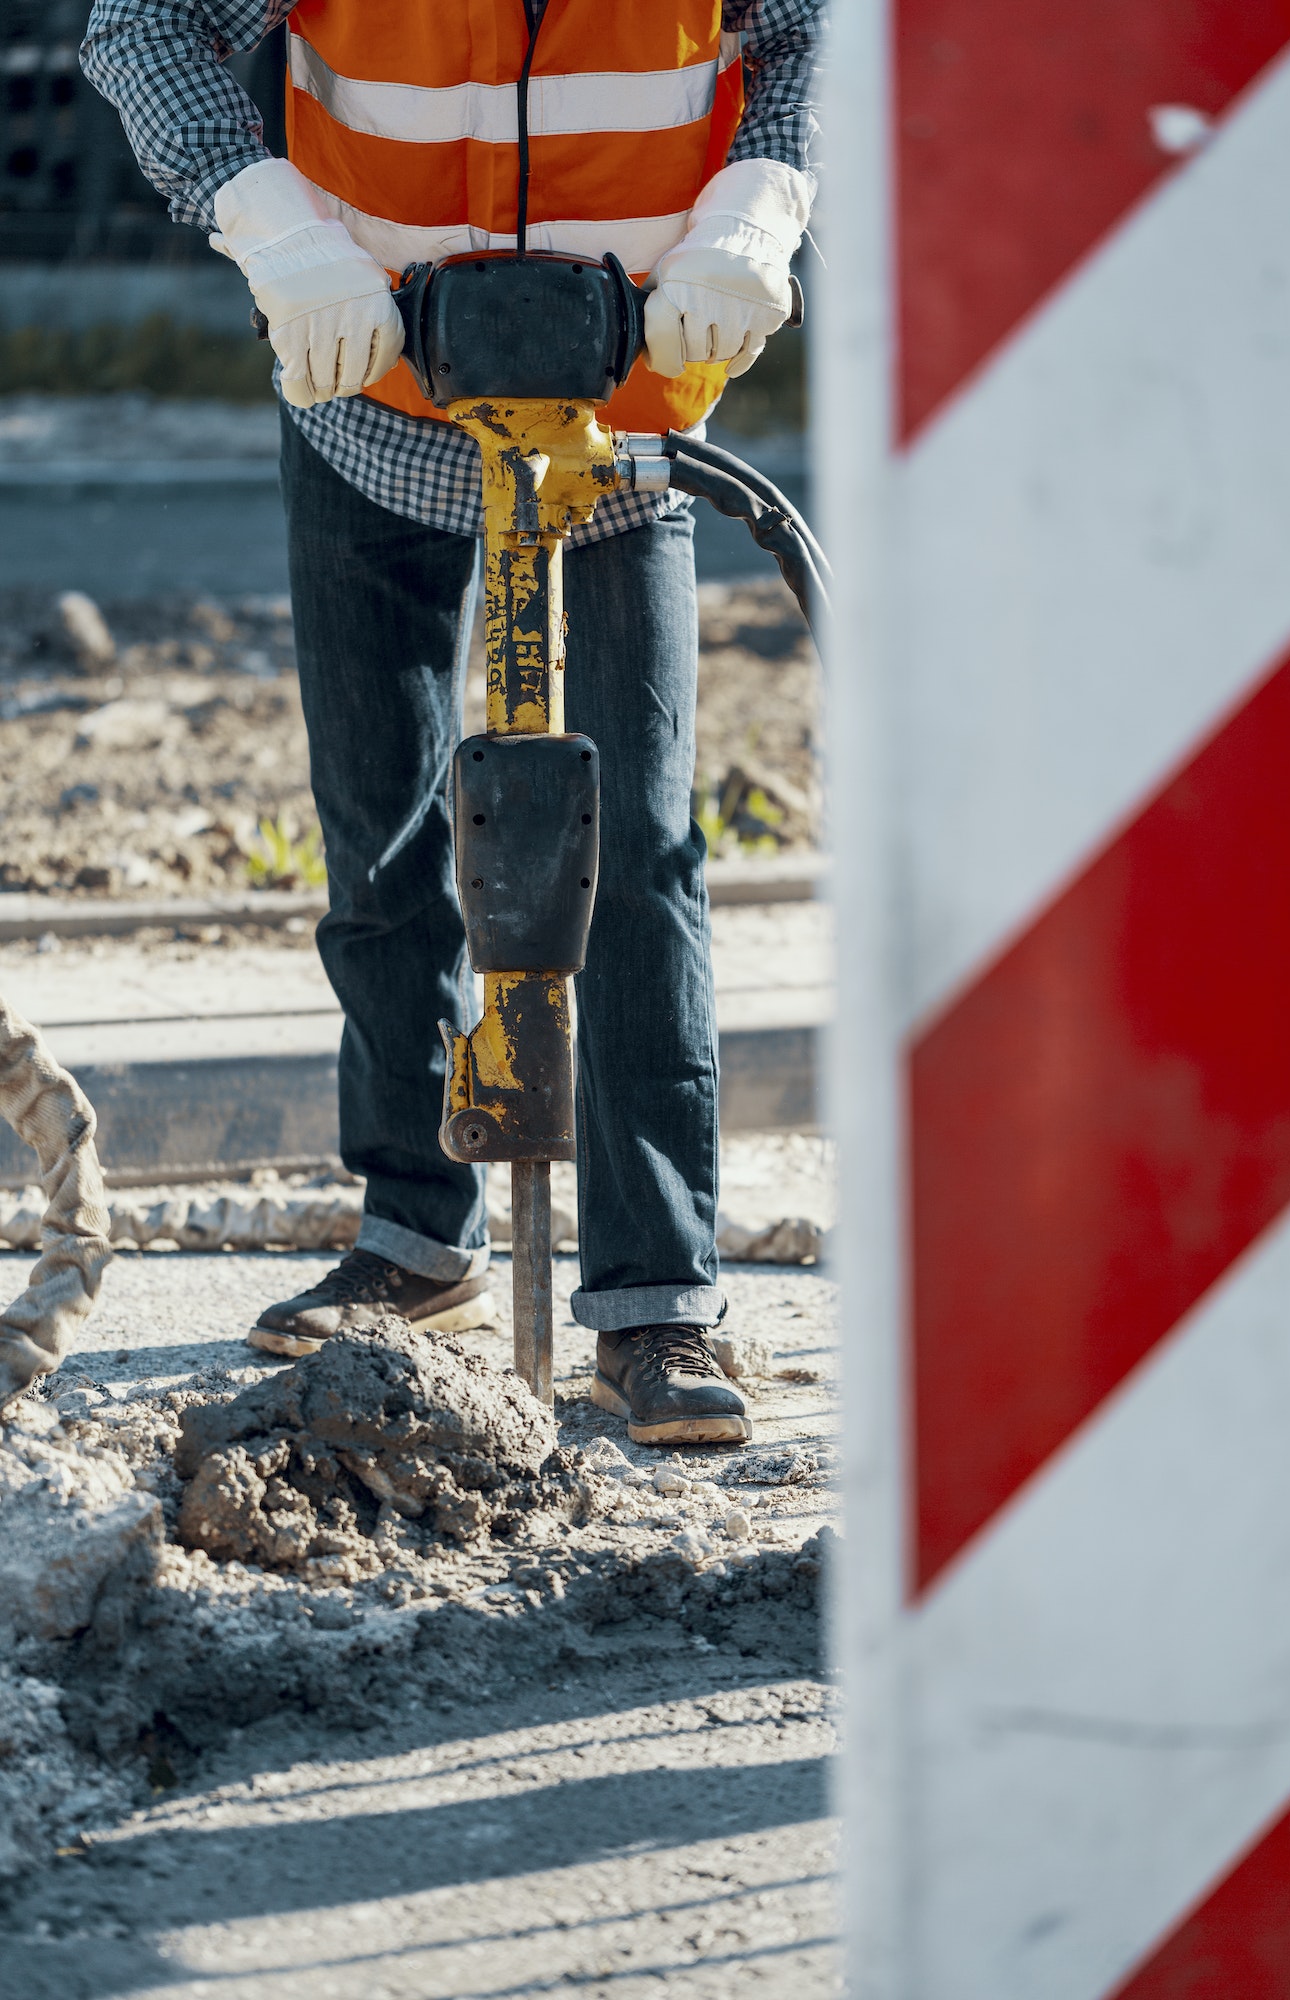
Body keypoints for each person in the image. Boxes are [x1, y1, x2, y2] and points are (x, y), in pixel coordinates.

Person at [82, 0, 821, 1448]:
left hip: (622, 404)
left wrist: (759, 203)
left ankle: (655, 1298)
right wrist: (275, 231)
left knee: (643, 854)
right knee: (384, 825)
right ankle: (416, 1235)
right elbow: (139, 24)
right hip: (369, 384)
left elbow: (828, 35)